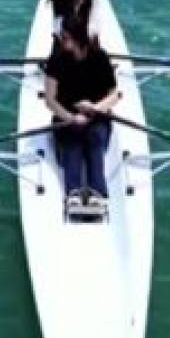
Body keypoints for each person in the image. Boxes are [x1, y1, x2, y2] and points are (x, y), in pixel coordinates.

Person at [43, 13, 120, 213]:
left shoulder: (100, 57)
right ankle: (73, 193)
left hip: (97, 117)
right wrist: (71, 117)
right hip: (66, 119)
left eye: (65, 37)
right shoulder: (56, 60)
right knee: (72, 142)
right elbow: (50, 100)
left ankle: (98, 193)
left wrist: (95, 108)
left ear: (76, 37)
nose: (61, 40)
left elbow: (115, 95)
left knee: (94, 138)